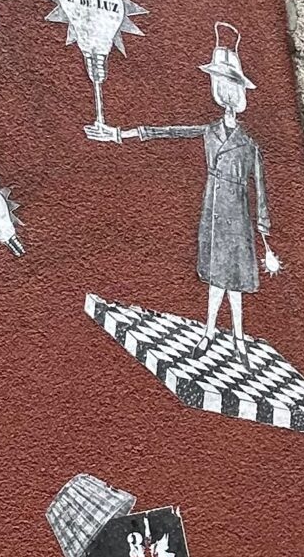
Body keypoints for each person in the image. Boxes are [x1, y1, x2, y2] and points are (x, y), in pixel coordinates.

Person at [117, 23, 279, 358]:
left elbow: (261, 187)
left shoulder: (250, 145)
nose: (226, 95)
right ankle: (209, 332)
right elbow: (169, 131)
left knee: (234, 279)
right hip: (214, 206)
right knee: (216, 276)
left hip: (238, 214)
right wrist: (124, 134)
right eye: (221, 85)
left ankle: (238, 338)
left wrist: (264, 229)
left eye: (230, 87)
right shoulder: (209, 131)